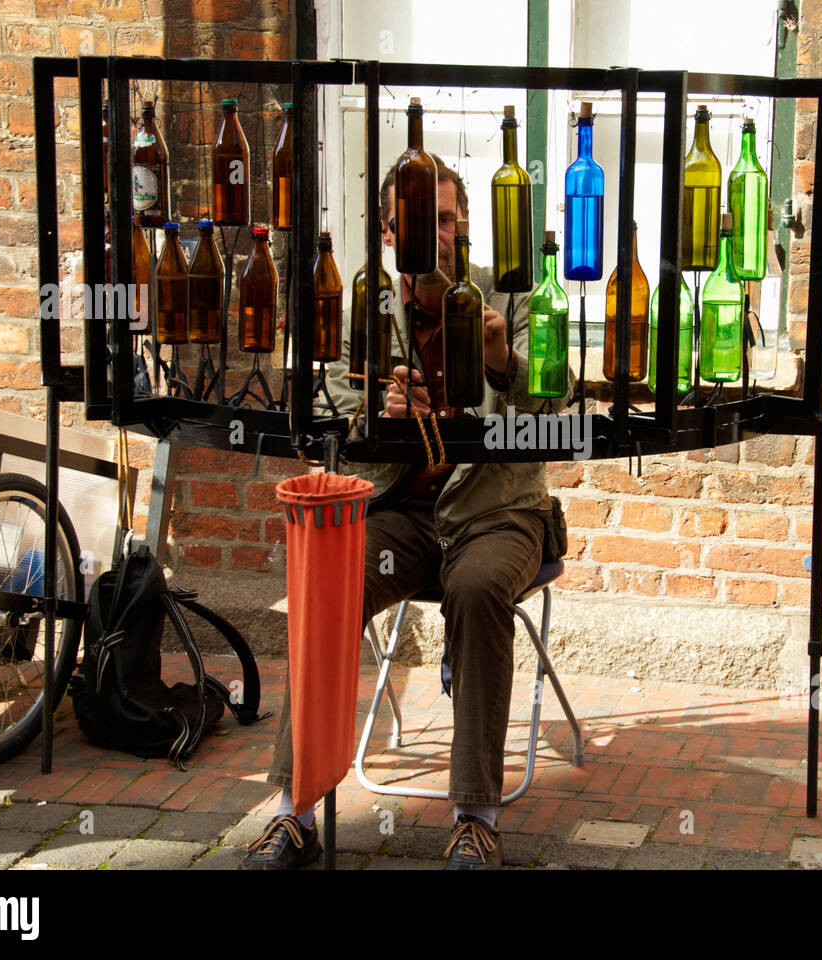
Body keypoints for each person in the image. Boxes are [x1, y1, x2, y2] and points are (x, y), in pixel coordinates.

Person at [240, 155, 573, 870]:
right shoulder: (369, 305)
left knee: (479, 587)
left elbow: (557, 408)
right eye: (423, 221)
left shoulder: (509, 295)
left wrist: (499, 363)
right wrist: (380, 419)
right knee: (331, 582)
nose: (439, 234)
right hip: (405, 516)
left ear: (465, 226)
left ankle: (475, 818)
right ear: (393, 233)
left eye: (448, 219)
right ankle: (293, 813)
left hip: (495, 511)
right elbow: (332, 405)